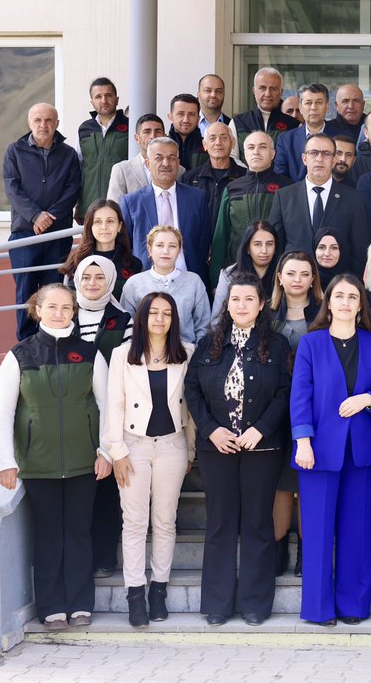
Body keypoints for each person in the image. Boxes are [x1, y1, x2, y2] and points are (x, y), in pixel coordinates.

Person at [0, 283, 111, 628]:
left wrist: (105, 451)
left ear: (74, 311)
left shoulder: (89, 353)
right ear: (38, 310)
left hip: (84, 463)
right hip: (38, 465)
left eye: (66, 307)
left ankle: (80, 603)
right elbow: (5, 414)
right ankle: (51, 606)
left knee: (78, 532)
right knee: (48, 535)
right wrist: (6, 462)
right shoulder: (20, 356)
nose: (60, 314)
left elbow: (107, 406)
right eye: (53, 307)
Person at [185, 272, 292, 626]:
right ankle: (217, 604)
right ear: (226, 305)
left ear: (261, 305)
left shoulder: (277, 345)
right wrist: (211, 430)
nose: (242, 305)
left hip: (262, 448)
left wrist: (261, 429)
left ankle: (254, 604)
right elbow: (192, 391)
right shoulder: (208, 345)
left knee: (258, 523)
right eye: (235, 299)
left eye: (249, 299)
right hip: (217, 448)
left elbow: (285, 392)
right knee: (220, 523)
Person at [291, 274, 371, 625]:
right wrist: (303, 441)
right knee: (317, 531)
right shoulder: (311, 343)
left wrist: (369, 399)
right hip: (317, 450)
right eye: (339, 296)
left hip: (362, 449)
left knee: (357, 530)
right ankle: (318, 609)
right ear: (328, 303)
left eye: (353, 297)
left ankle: (353, 606)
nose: (346, 302)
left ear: (361, 305)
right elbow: (300, 395)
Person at [103, 292, 195, 628]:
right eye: (153, 312)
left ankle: (159, 590)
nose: (159, 319)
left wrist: (190, 450)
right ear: (141, 317)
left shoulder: (186, 353)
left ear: (174, 319)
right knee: (134, 522)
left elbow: (192, 409)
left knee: (165, 521)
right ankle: (135, 594)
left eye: (166, 313)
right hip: (133, 447)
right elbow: (113, 405)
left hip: (172, 445)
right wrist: (117, 452)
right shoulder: (122, 355)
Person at [71, 254, 133, 581]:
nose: (92, 283)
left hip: (111, 411)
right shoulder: (65, 314)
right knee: (78, 489)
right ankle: (80, 560)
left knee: (106, 487)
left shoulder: (124, 320)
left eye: (99, 277)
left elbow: (128, 369)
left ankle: (105, 557)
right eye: (86, 277)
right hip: (71, 414)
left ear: (110, 281)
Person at [4, 103, 82, 339]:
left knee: (53, 291)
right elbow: (12, 189)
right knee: (25, 291)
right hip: (24, 233)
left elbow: (73, 189)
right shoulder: (14, 151)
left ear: (57, 123)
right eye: (37, 120)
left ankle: (51, 339)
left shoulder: (68, 154)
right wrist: (36, 216)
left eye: (48, 120)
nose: (43, 125)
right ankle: (26, 342)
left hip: (57, 235)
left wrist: (49, 218)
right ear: (30, 123)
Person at [269, 252, 325, 577]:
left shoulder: (322, 313)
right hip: (274, 407)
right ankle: (278, 548)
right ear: (279, 276)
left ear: (313, 278)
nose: (297, 280)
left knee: (306, 481)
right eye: (291, 273)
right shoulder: (267, 313)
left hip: (313, 408)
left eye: (304, 274)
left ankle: (306, 548)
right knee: (280, 482)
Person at [269, 132, 368, 272]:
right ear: (304, 158)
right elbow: (276, 244)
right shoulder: (283, 196)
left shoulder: (353, 198)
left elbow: (359, 249)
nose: (319, 159)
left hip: (336, 281)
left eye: (326, 154)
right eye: (313, 153)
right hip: (296, 279)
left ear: (334, 160)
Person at [118, 137, 210, 280]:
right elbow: (125, 245)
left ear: (178, 163)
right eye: (159, 158)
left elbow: (203, 242)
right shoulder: (131, 202)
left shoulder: (197, 198)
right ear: (148, 164)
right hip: (146, 279)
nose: (166, 163)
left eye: (171, 158)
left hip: (189, 278)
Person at [210, 131, 292, 288]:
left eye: (262, 147)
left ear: (273, 153)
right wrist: (215, 280)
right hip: (238, 272)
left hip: (276, 274)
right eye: (251, 147)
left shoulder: (287, 187)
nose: (256, 151)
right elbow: (221, 236)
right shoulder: (232, 188)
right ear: (244, 153)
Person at [119, 226, 211, 344]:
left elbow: (203, 325)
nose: (166, 251)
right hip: (144, 352)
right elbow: (127, 326)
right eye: (160, 245)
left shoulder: (194, 282)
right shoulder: (134, 284)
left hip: (187, 352)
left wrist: (197, 352)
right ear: (149, 249)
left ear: (179, 250)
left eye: (172, 246)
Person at [59, 199, 143, 301]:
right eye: (98, 222)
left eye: (110, 221)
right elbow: (70, 300)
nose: (104, 227)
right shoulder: (76, 260)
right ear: (90, 226)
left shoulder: (134, 264)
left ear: (119, 226)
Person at [182, 121, 247, 240]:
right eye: (212, 138)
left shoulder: (245, 177)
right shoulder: (190, 178)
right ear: (205, 144)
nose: (218, 142)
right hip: (200, 243)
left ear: (233, 143)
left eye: (224, 138)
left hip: (233, 243)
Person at [78, 77, 129, 213]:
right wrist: (78, 205)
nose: (104, 100)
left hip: (121, 206)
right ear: (92, 102)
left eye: (108, 95)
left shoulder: (130, 127)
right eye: (98, 97)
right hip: (90, 206)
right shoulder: (84, 129)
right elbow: (79, 168)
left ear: (117, 99)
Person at [211, 221, 280, 321]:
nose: (264, 250)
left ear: (275, 248)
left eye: (269, 244)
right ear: (248, 247)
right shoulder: (229, 275)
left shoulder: (283, 275)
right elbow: (217, 319)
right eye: (257, 244)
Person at [107, 113, 184, 202]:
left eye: (158, 131)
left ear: (164, 136)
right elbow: (114, 206)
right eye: (147, 132)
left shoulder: (179, 170)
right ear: (137, 138)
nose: (153, 136)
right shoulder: (122, 170)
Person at [274, 82, 338, 183]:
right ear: (300, 107)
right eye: (308, 103)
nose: (313, 107)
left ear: (327, 106)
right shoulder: (286, 140)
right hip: (294, 192)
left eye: (319, 102)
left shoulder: (340, 136)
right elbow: (280, 176)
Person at [233, 66, 300, 150]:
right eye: (262, 88)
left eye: (273, 89)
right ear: (254, 91)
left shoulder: (294, 125)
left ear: (281, 92)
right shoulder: (237, 123)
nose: (268, 94)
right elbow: (232, 156)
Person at [166, 93, 207, 172]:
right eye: (180, 114)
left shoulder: (207, 147)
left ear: (198, 119)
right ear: (170, 117)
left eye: (191, 114)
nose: (186, 120)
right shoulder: (161, 147)